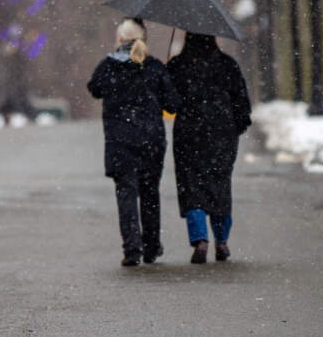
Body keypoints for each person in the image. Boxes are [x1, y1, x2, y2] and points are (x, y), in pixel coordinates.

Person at [88, 18, 181, 266]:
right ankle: (151, 247)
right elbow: (173, 104)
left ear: (120, 39)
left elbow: (94, 88)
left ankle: (132, 248)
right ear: (143, 39)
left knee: (126, 193)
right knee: (150, 192)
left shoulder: (108, 65)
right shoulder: (154, 67)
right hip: (151, 139)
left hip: (120, 140)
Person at [166, 33, 251, 264]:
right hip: (222, 133)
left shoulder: (178, 66)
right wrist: (235, 127)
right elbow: (242, 105)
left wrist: (168, 75)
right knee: (220, 184)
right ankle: (221, 240)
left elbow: (169, 103)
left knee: (191, 185)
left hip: (189, 133)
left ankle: (200, 239)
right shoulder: (228, 65)